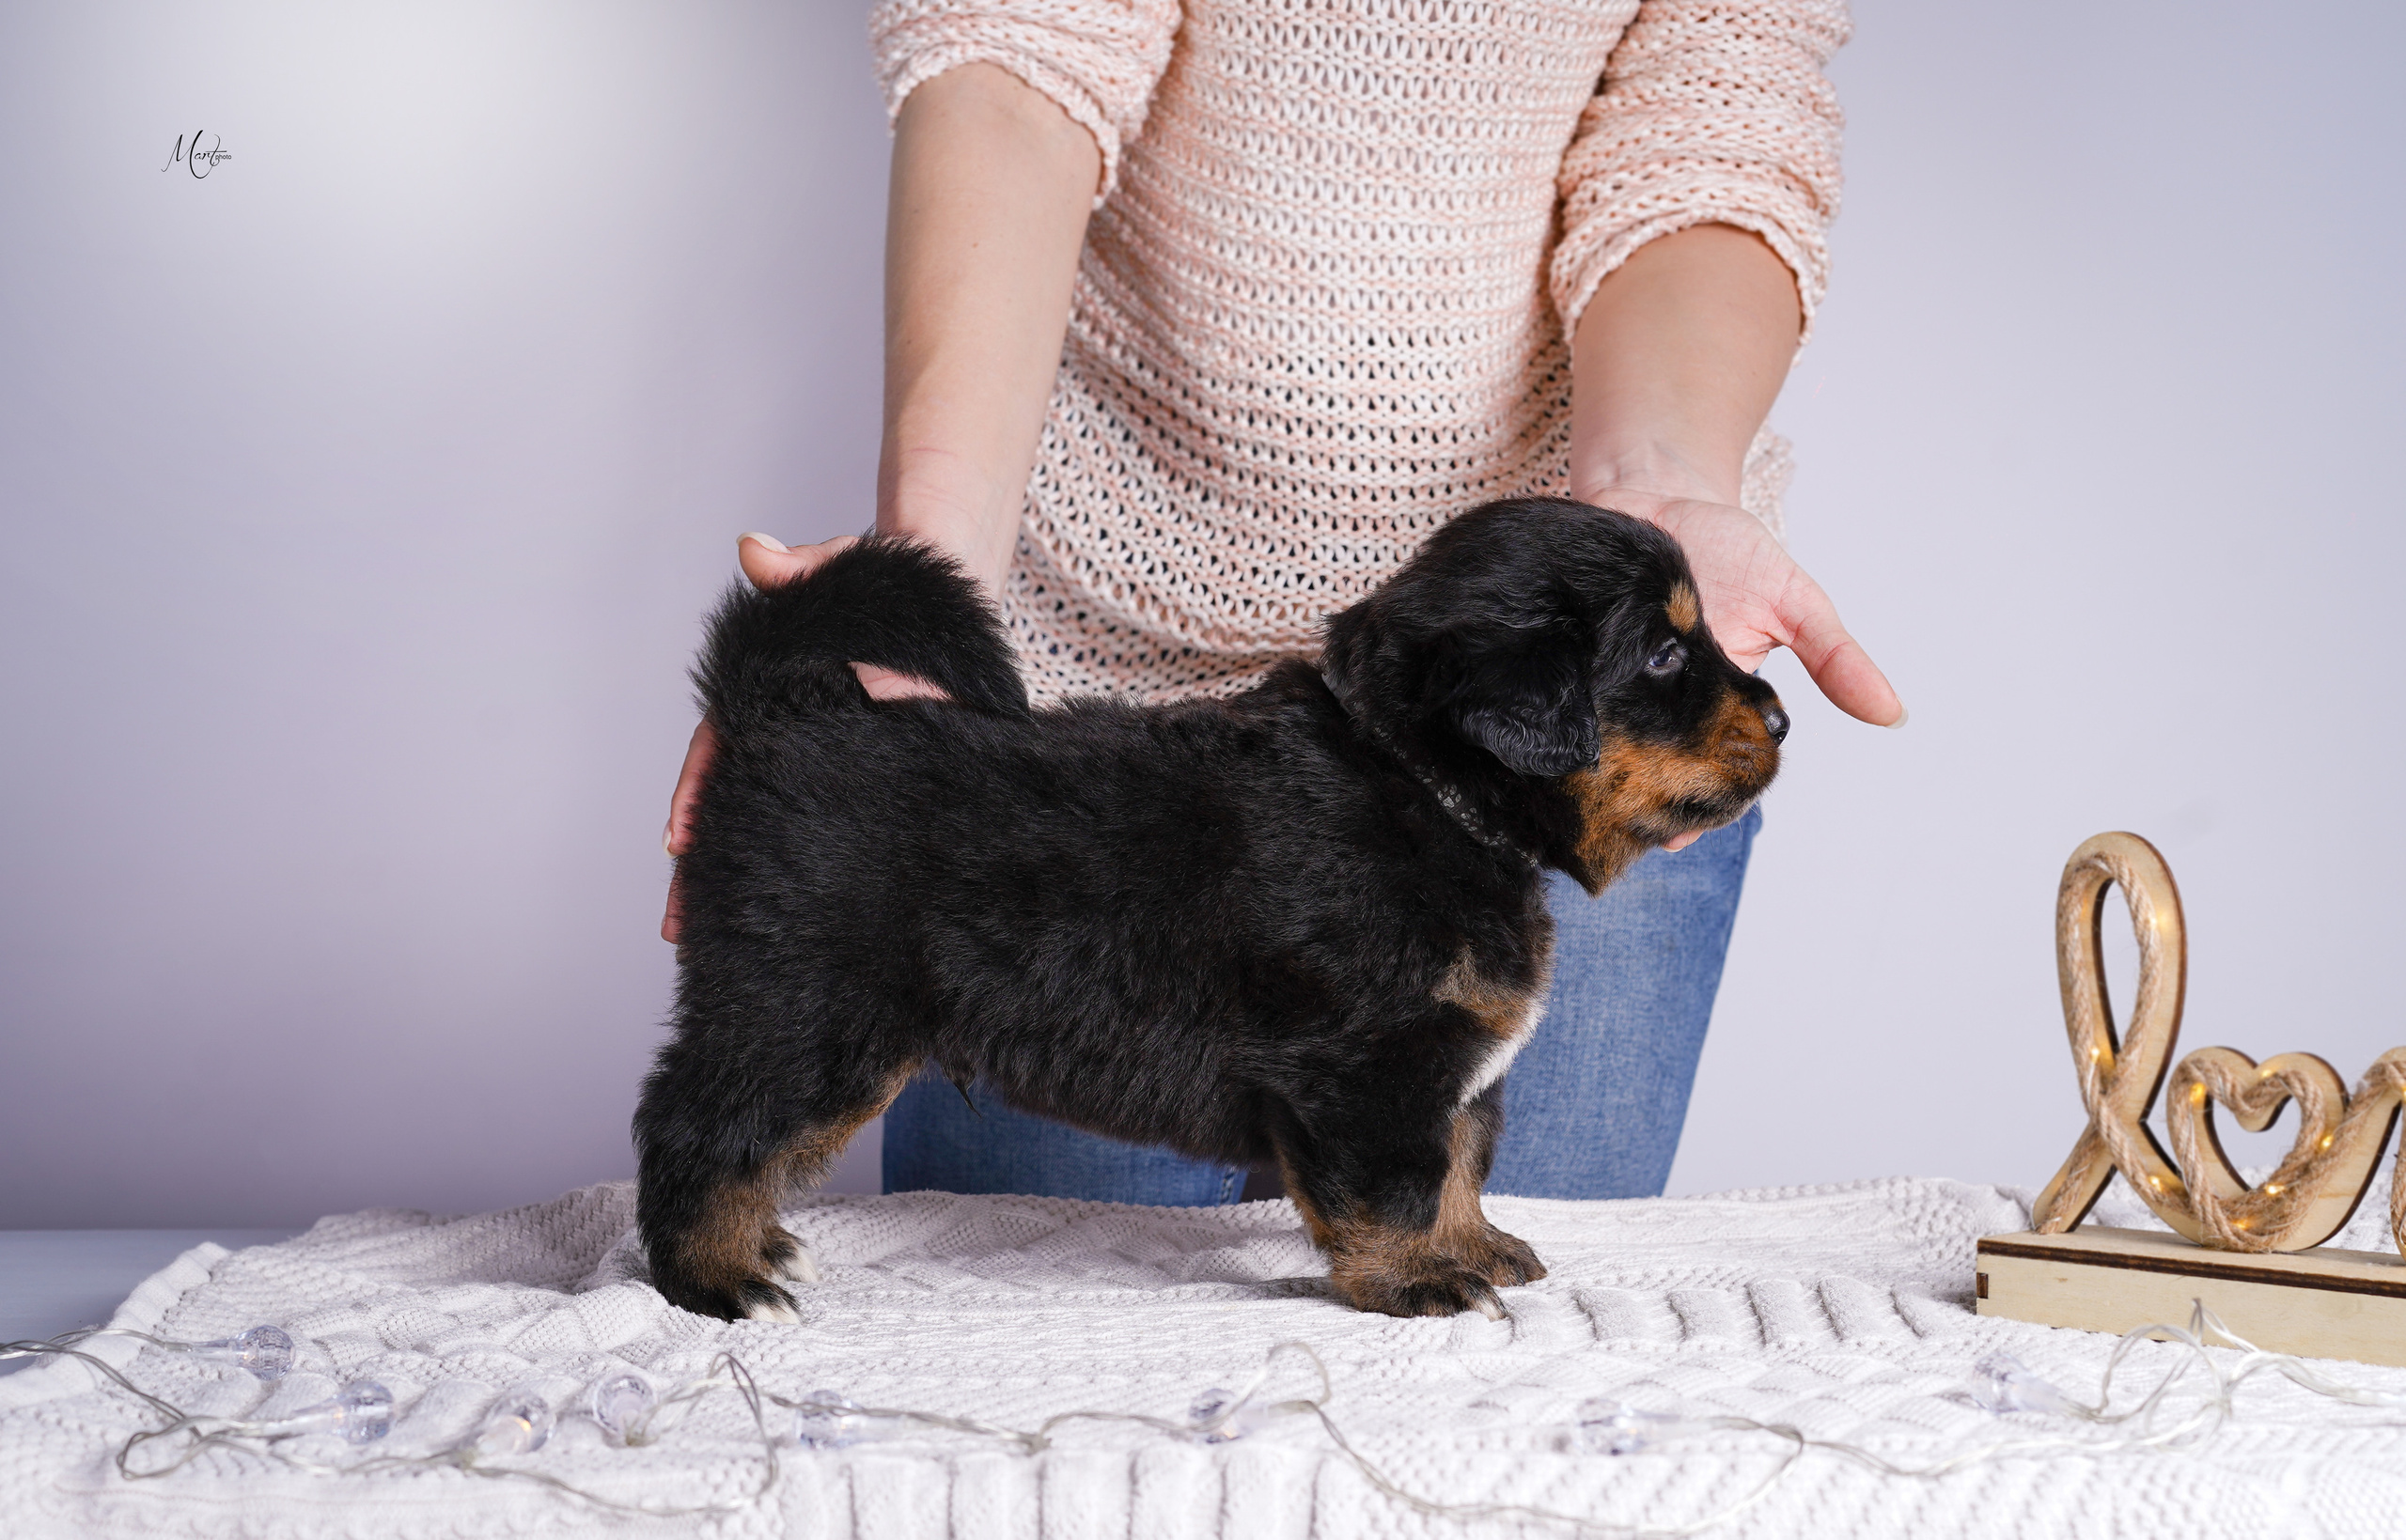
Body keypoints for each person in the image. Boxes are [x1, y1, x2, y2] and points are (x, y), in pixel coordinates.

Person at [664, 0, 1902, 1206]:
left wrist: (1655, 497)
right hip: (1079, 753)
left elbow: (1714, 134)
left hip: (1548, 736)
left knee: (1521, 1319)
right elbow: (1018, 56)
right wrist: (935, 559)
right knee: (1037, 1304)